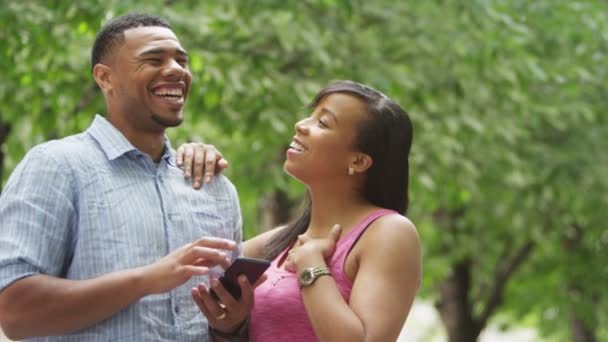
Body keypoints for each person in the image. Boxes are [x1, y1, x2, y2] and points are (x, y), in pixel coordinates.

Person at [0, 13, 248, 341]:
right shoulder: (56, 166)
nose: (176, 69)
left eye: (181, 60)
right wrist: (147, 279)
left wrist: (230, 326)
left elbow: (230, 327)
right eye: (153, 59)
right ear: (105, 78)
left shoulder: (215, 188)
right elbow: (14, 313)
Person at [188, 80, 422, 341]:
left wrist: (311, 266)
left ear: (358, 161)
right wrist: (190, 161)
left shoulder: (388, 233)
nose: (300, 125)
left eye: (322, 123)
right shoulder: (279, 242)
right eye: (311, 115)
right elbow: (185, 265)